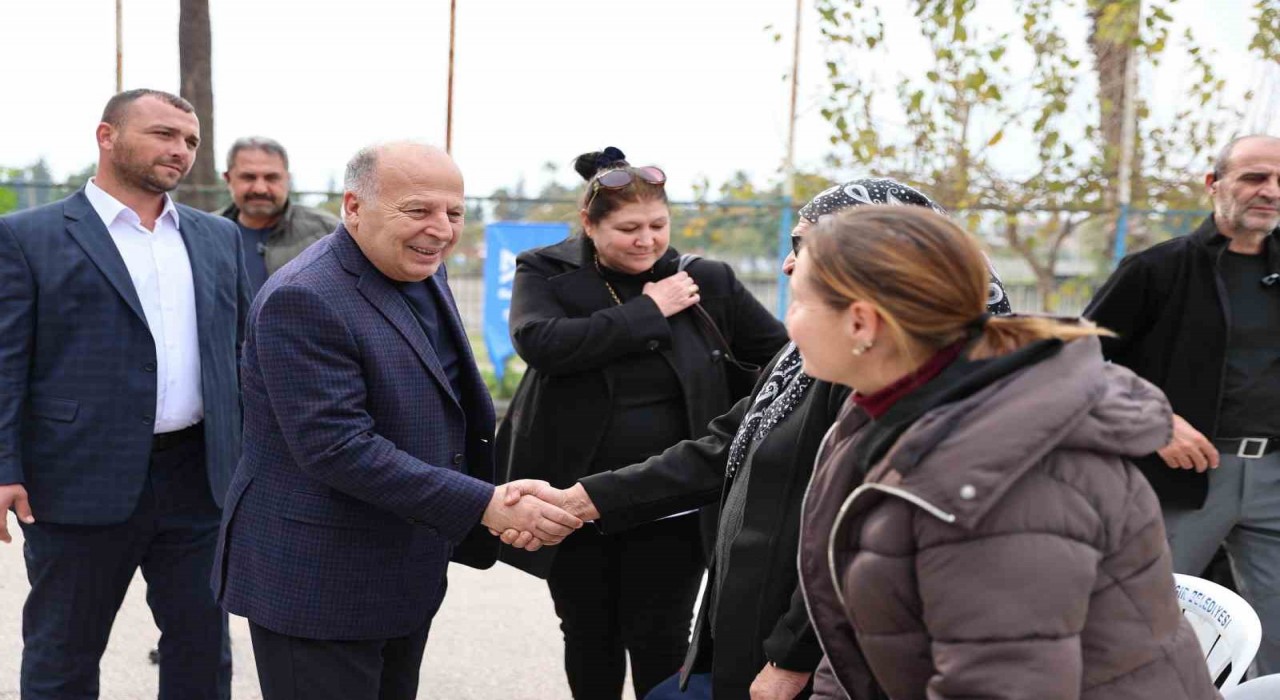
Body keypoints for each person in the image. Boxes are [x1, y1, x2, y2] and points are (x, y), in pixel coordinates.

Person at [501, 178, 1012, 700]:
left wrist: (792, 658)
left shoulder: (906, 375)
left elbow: (862, 539)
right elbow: (723, 446)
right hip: (747, 632)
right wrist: (583, 499)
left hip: (808, 656)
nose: (789, 265)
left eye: (805, 246)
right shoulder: (808, 355)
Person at [788, 205, 1215, 699]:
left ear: (861, 323)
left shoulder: (999, 480)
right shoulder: (888, 413)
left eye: (799, 303)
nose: (789, 321)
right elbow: (863, 636)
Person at [212, 141, 582, 700]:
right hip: (319, 584)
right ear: (354, 207)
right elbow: (339, 448)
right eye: (418, 210)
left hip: (401, 570)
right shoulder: (304, 298)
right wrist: (484, 504)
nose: (440, 228)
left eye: (454, 213)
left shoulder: (420, 269)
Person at [494, 146, 789, 700]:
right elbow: (541, 343)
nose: (647, 240)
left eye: (658, 224)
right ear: (588, 223)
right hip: (571, 495)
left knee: (661, 635)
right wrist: (648, 311)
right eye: (628, 228)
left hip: (670, 500)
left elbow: (781, 359)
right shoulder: (547, 271)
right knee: (587, 631)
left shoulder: (704, 280)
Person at [0, 88, 250, 700]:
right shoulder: (26, 237)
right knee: (64, 652)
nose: (181, 150)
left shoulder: (218, 237)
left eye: (189, 140)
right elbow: (5, 362)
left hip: (200, 480)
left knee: (202, 652)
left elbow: (243, 355)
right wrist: (3, 464)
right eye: (164, 134)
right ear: (106, 136)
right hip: (77, 478)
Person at [1085, 133, 1280, 673]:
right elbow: (1079, 361)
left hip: (1275, 480)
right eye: (1255, 177)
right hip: (1183, 478)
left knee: (1277, 643)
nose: (1271, 191)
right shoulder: (1156, 270)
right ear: (1213, 185)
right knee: (1138, 627)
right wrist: (1156, 421)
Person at [219, 136, 339, 296]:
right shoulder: (203, 234)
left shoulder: (328, 232)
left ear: (287, 179)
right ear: (228, 179)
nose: (260, 188)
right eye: (248, 177)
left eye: (271, 178)